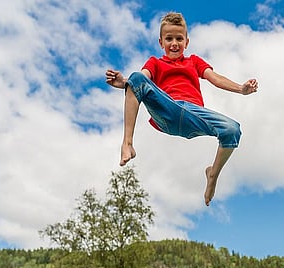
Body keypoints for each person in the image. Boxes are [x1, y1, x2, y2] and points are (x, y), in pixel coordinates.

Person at [106, 12, 258, 206]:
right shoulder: (155, 62)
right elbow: (142, 79)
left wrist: (241, 89)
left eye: (179, 38)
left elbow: (215, 78)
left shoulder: (194, 61)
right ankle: (127, 144)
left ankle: (213, 174)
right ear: (161, 42)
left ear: (187, 41)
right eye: (169, 39)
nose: (174, 43)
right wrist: (126, 83)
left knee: (232, 130)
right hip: (167, 110)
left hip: (193, 114)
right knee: (136, 77)